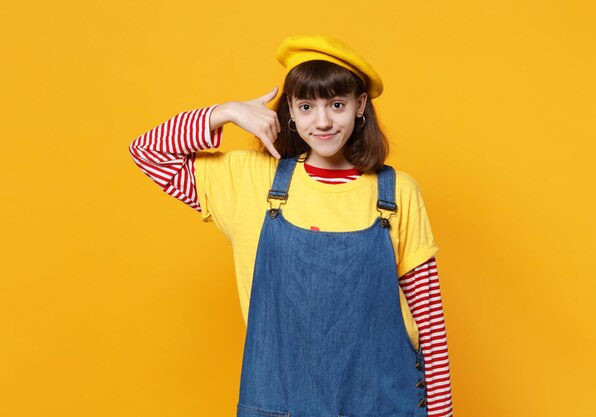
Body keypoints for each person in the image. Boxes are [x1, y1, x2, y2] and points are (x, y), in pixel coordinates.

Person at [129, 35, 453, 417]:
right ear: (290, 112)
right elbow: (148, 152)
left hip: (383, 402)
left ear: (360, 105)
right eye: (306, 105)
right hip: (281, 402)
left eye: (336, 104)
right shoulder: (250, 180)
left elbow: (428, 315)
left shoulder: (398, 192)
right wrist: (225, 112)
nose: (323, 121)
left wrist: (442, 412)